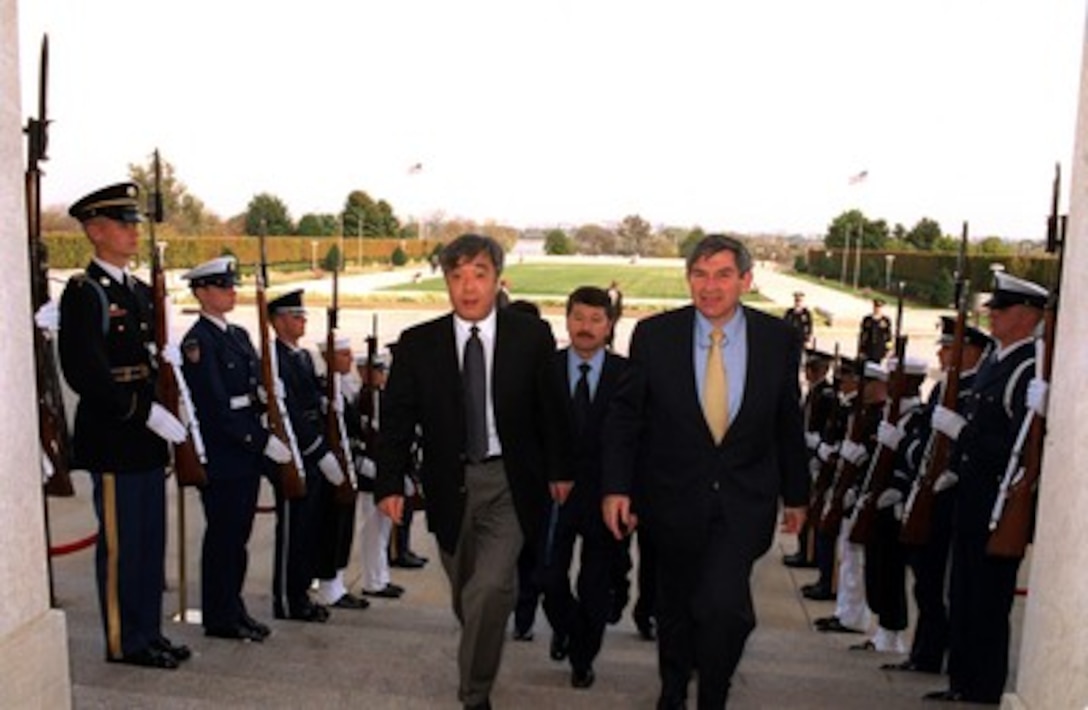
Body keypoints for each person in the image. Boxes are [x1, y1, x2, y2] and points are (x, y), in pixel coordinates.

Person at [602, 233, 808, 709]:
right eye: (699, 275)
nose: (710, 287)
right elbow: (626, 417)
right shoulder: (656, 337)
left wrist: (797, 495)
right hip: (671, 498)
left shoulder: (777, 340)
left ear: (746, 281)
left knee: (722, 606)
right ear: (688, 279)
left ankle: (713, 693)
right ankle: (673, 689)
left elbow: (786, 420)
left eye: (722, 275)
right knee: (674, 605)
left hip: (743, 500)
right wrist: (617, 488)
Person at [375, 233, 566, 710]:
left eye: (479, 274)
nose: (468, 287)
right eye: (456, 276)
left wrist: (561, 469)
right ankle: (481, 645)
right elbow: (396, 420)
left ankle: (474, 694)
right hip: (449, 484)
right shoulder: (419, 345)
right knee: (470, 599)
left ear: (498, 279)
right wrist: (389, 482)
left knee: (491, 588)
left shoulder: (531, 337)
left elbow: (553, 410)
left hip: (510, 482)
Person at [57, 182, 191, 668]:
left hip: (145, 438)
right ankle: (122, 640)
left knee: (148, 544)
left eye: (135, 223)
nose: (135, 231)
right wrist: (143, 411)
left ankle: (148, 631)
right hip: (115, 434)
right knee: (120, 548)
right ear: (95, 231)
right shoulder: (85, 292)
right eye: (123, 223)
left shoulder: (137, 290)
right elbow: (85, 372)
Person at [924, 272, 1049, 704]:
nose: (992, 316)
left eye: (1002, 309)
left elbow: (1021, 447)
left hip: (997, 503)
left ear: (1027, 316)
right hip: (972, 496)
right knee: (962, 593)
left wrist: (961, 433)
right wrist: (956, 464)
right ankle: (962, 680)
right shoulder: (998, 360)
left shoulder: (1028, 368)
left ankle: (981, 686)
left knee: (987, 601)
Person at [180, 256, 288, 643]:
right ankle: (219, 615)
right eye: (224, 287)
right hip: (225, 454)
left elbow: (253, 387)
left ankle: (233, 606)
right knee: (223, 537)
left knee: (237, 538)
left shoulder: (239, 335)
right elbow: (215, 408)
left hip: (244, 454)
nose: (232, 292)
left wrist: (264, 397)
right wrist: (260, 441)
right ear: (202, 293)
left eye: (232, 286)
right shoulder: (197, 342)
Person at [883, 317, 991, 675]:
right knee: (924, 581)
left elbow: (965, 446)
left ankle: (932, 652)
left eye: (950, 347)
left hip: (948, 498)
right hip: (925, 490)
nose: (942, 354)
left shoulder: (973, 387)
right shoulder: (944, 388)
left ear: (972, 351)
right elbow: (924, 439)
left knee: (935, 583)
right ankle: (924, 653)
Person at [541, 286, 631, 689]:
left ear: (610, 325)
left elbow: (636, 440)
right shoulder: (544, 369)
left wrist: (631, 496)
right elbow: (529, 432)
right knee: (548, 580)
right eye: (579, 318)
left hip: (604, 500)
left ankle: (583, 657)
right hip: (554, 496)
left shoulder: (627, 375)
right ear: (567, 319)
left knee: (595, 585)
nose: (586, 327)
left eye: (596, 320)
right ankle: (565, 626)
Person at [267, 289, 346, 623]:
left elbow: (312, 402)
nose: (302, 322)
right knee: (294, 531)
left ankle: (301, 591)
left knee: (308, 528)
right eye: (296, 316)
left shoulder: (299, 356)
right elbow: (289, 413)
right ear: (279, 320)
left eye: (303, 317)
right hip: (296, 453)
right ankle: (287, 598)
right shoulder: (274, 358)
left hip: (312, 448)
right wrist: (317, 450)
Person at [311, 336, 371, 610]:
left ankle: (336, 582)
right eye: (344, 354)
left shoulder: (345, 388)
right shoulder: (324, 389)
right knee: (331, 527)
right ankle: (328, 585)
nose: (350, 359)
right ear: (329, 358)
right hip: (331, 471)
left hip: (348, 465)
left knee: (344, 526)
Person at [351, 352, 403, 599]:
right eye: (377, 371)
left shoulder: (380, 398)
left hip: (382, 470)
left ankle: (380, 577)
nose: (382, 376)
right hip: (369, 472)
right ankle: (372, 581)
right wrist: (365, 464)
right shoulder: (361, 399)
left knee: (382, 528)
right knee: (372, 528)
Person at [858, 298, 893, 362]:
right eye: (876, 306)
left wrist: (889, 350)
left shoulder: (885, 321)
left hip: (880, 351)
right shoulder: (867, 320)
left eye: (879, 307)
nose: (877, 309)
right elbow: (862, 336)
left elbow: (889, 337)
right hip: (868, 350)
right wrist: (861, 350)